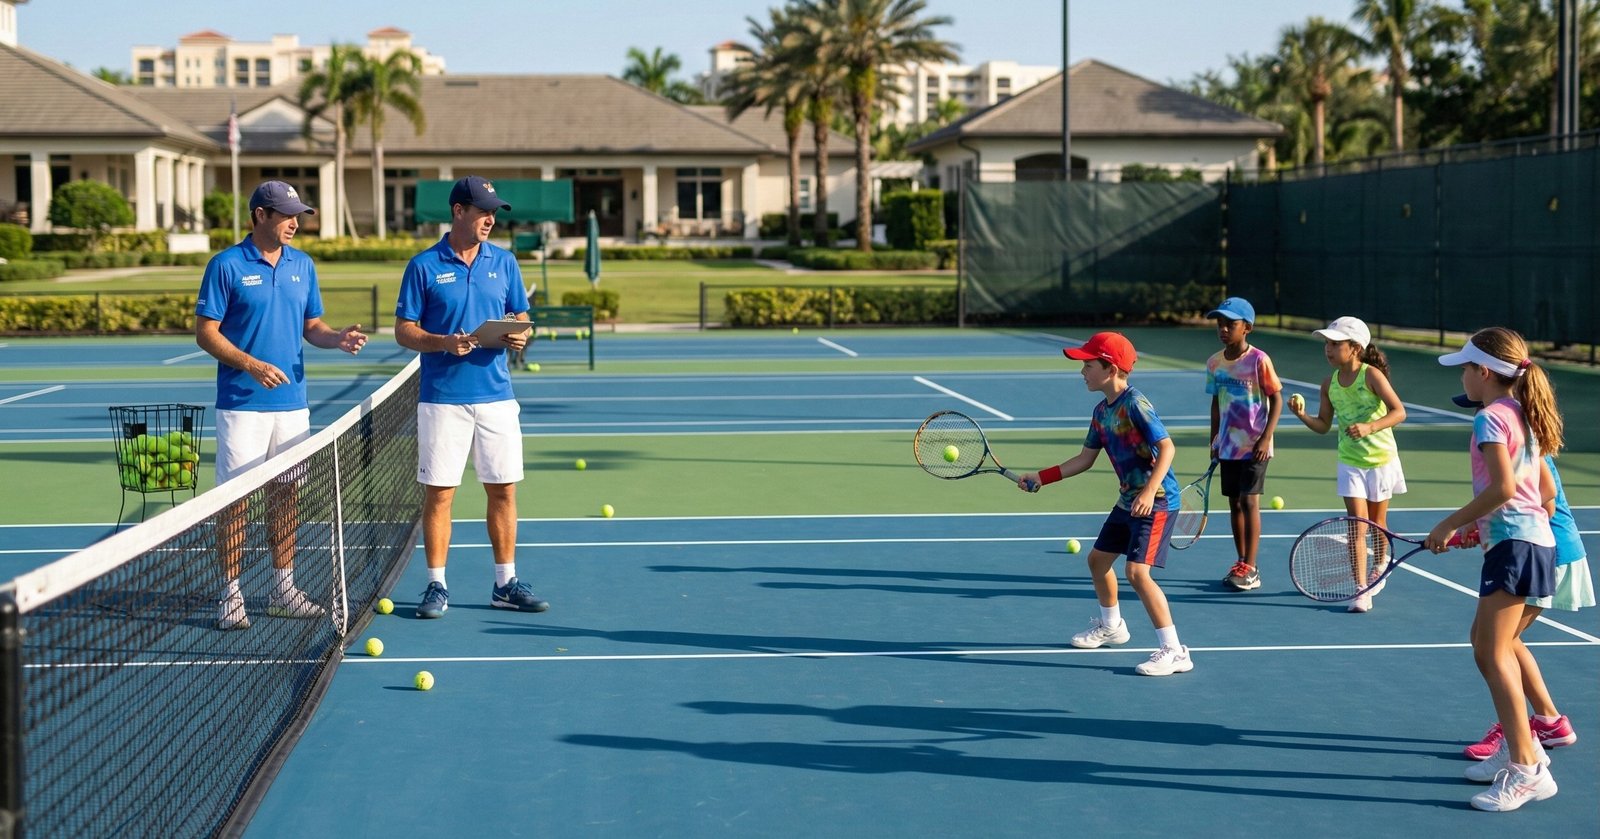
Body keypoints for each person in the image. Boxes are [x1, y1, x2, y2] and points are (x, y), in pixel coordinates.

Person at [196, 180, 368, 630]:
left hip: (293, 405)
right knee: (236, 501)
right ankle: (231, 594)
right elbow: (206, 333)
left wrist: (337, 338)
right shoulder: (225, 265)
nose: (295, 223)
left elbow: (312, 326)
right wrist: (251, 364)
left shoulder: (302, 265)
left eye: (298, 216)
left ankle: (283, 588)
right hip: (242, 405)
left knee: (287, 494)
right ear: (260, 215)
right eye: (287, 215)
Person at [395, 175, 547, 619]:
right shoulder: (423, 266)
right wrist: (443, 342)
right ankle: (436, 585)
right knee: (441, 494)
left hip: (497, 397)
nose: (490, 219)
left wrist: (519, 334)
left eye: (494, 213)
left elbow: (521, 316)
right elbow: (404, 330)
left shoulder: (505, 262)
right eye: (483, 211)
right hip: (442, 399)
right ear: (458, 211)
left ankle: (505, 584)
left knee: (503, 490)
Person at [1425, 327, 1565, 812]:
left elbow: (1504, 489)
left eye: (1465, 368)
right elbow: (1541, 492)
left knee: (1492, 652)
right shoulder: (1524, 413)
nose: (1462, 376)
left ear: (1483, 372)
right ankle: (1520, 749)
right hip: (1533, 544)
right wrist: (1479, 527)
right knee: (1487, 646)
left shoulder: (1489, 418)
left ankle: (1528, 770)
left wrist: (1449, 523)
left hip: (1517, 548)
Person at [1018, 332, 1190, 676]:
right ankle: (1113, 627)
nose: (1082, 371)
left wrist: (1148, 491)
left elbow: (1167, 448)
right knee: (1097, 562)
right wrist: (1042, 476)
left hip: (1157, 501)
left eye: (1088, 365)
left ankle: (1175, 651)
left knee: (1137, 573)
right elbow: (1085, 459)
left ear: (1110, 369)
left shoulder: (1136, 404)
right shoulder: (1101, 412)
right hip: (1129, 500)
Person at [1286, 316, 1407, 613]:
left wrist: (1370, 427)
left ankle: (1380, 564)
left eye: (1335, 344)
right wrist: (1302, 415)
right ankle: (1360, 588)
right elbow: (1323, 425)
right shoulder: (1329, 384)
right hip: (1350, 462)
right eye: (1327, 343)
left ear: (1355, 348)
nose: (1328, 349)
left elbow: (1399, 412)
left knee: (1377, 524)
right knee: (1357, 526)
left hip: (1381, 460)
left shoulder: (1372, 376)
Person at [1203, 297, 1283, 591]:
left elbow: (1276, 400)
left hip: (1255, 445)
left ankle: (1251, 567)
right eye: (1220, 324)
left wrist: (1265, 437)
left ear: (1246, 327)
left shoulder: (1259, 360)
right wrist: (1214, 438)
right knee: (1234, 503)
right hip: (1228, 445)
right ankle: (1241, 562)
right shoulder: (1214, 362)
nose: (1223, 329)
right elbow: (1216, 404)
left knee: (1250, 501)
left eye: (1230, 324)